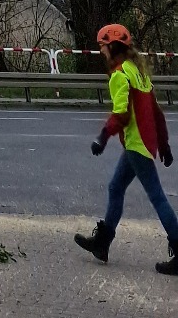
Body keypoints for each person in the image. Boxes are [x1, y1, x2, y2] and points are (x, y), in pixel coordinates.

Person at [74, 21, 178, 272]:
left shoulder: (120, 74)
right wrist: (163, 144)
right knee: (116, 186)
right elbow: (157, 113)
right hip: (144, 141)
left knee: (157, 196)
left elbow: (121, 114)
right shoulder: (137, 71)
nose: (101, 51)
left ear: (112, 46)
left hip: (137, 144)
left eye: (102, 46)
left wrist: (102, 136)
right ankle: (102, 242)